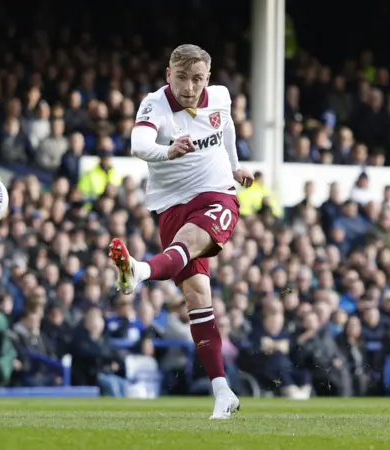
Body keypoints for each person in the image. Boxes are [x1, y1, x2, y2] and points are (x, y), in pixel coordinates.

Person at [108, 44, 254, 419]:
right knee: (197, 299)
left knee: (188, 245)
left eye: (198, 79)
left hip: (217, 194)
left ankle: (137, 272)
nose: (189, 87)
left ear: (208, 78)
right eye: (182, 77)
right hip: (172, 205)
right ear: (167, 75)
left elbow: (227, 128)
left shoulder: (220, 97)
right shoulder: (154, 104)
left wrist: (237, 168)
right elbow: (139, 143)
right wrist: (166, 150)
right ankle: (223, 391)